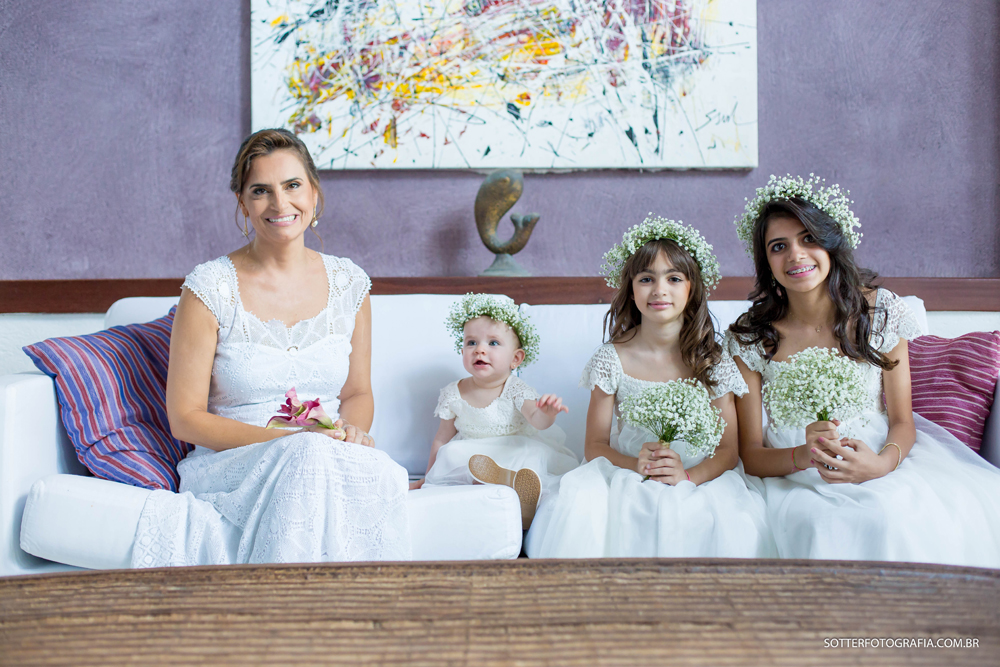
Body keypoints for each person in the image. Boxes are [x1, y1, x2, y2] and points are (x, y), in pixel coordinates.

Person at [131, 128, 411, 566]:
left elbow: (357, 393)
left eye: (293, 186)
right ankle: (283, 618)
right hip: (234, 465)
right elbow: (184, 419)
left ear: (314, 195)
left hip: (326, 454)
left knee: (369, 470)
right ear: (243, 204)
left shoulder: (350, 284)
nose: (281, 204)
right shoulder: (208, 288)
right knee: (307, 454)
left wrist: (350, 433)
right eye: (261, 191)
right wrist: (283, 440)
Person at [725, 174, 1000, 566]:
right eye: (778, 247)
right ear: (766, 262)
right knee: (821, 526)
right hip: (792, 472)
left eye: (808, 239)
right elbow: (750, 454)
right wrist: (803, 455)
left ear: (831, 243)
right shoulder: (751, 336)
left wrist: (880, 464)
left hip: (876, 456)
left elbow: (902, 421)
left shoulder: (880, 312)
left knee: (890, 518)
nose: (796, 256)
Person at [525, 217, 774, 558]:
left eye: (674, 278)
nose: (659, 290)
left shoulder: (712, 362)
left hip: (699, 476)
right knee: (594, 506)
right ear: (630, 288)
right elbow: (595, 445)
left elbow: (729, 451)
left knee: (712, 519)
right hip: (628, 470)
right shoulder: (611, 358)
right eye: (646, 279)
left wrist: (687, 476)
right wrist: (635, 465)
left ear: (691, 288)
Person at [418, 293, 578, 530]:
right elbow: (442, 438)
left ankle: (518, 489)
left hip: (511, 450)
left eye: (493, 343)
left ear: (516, 358)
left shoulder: (515, 388)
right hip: (473, 457)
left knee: (530, 458)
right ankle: (494, 484)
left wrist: (547, 413)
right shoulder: (453, 392)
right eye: (471, 342)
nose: (479, 350)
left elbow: (536, 419)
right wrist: (428, 477)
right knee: (452, 455)